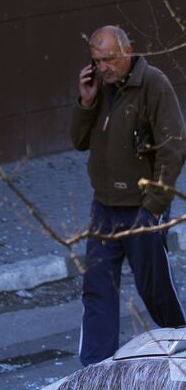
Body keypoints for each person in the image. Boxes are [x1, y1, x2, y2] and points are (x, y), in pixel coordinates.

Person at [71, 24, 186, 366]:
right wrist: (86, 102)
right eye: (97, 61)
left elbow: (173, 147)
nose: (103, 67)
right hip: (104, 209)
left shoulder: (153, 84)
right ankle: (95, 371)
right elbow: (78, 140)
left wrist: (155, 205)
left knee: (155, 290)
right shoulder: (99, 88)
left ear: (128, 51)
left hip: (141, 209)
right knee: (97, 289)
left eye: (109, 59)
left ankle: (182, 345)